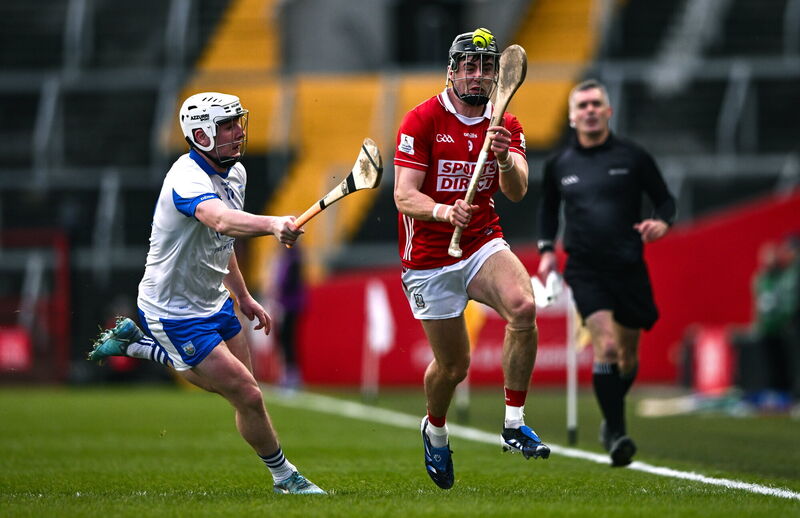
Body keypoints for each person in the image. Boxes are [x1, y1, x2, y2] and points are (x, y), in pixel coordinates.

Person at [87, 92, 325, 495]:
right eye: (227, 125)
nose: (238, 131)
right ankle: (286, 478)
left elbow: (221, 240)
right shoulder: (186, 177)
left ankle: (137, 347)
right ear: (200, 134)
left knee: (242, 392)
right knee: (246, 393)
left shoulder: (237, 174)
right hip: (171, 309)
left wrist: (244, 296)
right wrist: (271, 224)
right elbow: (217, 218)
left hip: (214, 299)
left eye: (238, 122)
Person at [394, 27, 550, 490]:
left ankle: (514, 421)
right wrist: (443, 210)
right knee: (453, 367)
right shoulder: (420, 121)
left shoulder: (506, 125)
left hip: (481, 240)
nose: (479, 76)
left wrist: (503, 160)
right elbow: (404, 196)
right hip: (428, 258)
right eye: (470, 66)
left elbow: (517, 190)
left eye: (487, 67)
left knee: (524, 307)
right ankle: (435, 430)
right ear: (452, 72)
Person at [537, 79, 676, 467]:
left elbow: (665, 200)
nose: (590, 110)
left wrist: (661, 223)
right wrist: (548, 250)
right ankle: (616, 433)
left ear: (609, 111)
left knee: (628, 358)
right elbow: (548, 210)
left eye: (596, 103)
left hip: (629, 266)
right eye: (582, 106)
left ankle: (610, 416)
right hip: (584, 269)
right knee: (607, 348)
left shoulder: (633, 157)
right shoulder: (559, 164)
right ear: (571, 116)